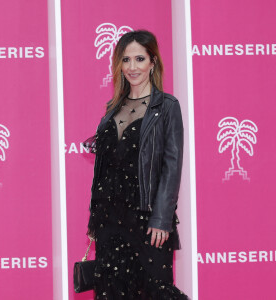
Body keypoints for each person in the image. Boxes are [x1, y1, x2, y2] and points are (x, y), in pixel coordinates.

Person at [85, 30, 188, 299]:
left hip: (148, 219)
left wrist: (162, 219)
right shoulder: (112, 109)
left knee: (153, 290)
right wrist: (95, 219)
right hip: (110, 222)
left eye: (139, 59)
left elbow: (172, 167)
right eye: (126, 60)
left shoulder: (167, 107)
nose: (132, 67)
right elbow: (104, 170)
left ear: (152, 62)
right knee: (113, 291)